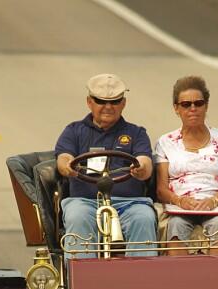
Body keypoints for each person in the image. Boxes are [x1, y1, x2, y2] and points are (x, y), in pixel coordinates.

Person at [55, 73, 156, 258]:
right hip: (85, 202)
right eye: (101, 101)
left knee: (145, 218)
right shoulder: (74, 131)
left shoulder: (136, 133)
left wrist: (141, 168)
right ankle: (83, 281)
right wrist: (66, 166)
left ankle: (142, 282)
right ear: (89, 102)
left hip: (130, 204)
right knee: (77, 217)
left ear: (123, 103)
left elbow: (145, 162)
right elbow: (63, 158)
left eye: (115, 101)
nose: (108, 107)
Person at [154, 76, 218, 256]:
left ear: (206, 106)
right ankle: (180, 281)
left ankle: (217, 281)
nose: (193, 108)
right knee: (176, 226)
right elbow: (161, 189)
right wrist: (180, 201)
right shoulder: (165, 142)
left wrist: (212, 201)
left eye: (198, 103)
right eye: (186, 104)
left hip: (214, 204)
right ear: (176, 108)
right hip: (179, 207)